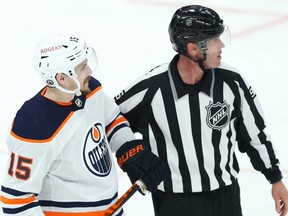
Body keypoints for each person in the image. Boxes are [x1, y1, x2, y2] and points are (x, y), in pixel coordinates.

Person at [114, 5, 288, 216]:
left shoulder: (232, 82)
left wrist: (275, 178)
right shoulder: (151, 89)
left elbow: (254, 134)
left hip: (225, 198)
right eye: (215, 40)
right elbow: (110, 120)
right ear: (193, 49)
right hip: (173, 202)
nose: (222, 45)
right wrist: (129, 153)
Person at [0, 34, 166, 216]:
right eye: (82, 68)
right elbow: (16, 199)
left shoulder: (88, 90)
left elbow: (111, 119)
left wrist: (130, 151)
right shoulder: (34, 123)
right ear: (61, 78)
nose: (90, 72)